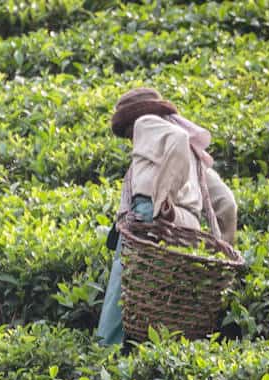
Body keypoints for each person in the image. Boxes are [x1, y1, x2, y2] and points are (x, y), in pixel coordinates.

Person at [97, 87, 238, 346]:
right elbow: (227, 203)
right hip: (186, 228)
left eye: (129, 134)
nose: (132, 140)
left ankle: (105, 350)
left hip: (151, 216)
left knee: (123, 287)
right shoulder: (197, 161)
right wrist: (224, 244)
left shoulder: (145, 123)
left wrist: (163, 200)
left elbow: (177, 140)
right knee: (164, 295)